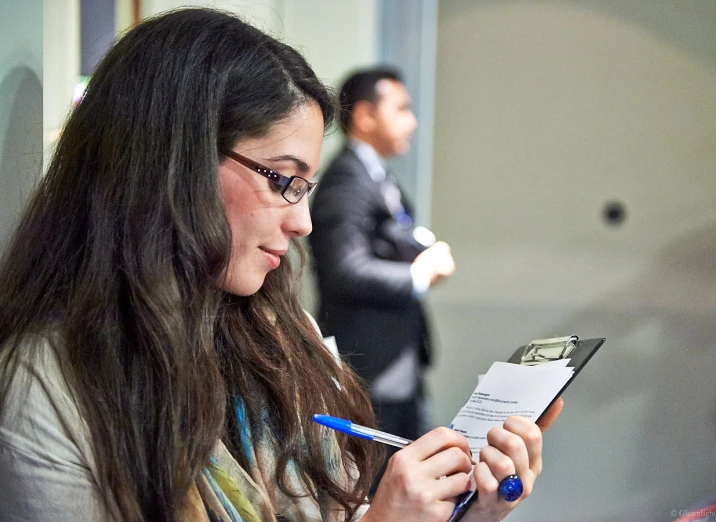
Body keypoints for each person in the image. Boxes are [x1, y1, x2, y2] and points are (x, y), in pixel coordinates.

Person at [0, 9, 561, 522]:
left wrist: (472, 510)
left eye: (306, 186)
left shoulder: (282, 333)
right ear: (175, 160)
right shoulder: (45, 386)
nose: (303, 224)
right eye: (284, 180)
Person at [308, 68, 454, 468]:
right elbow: (344, 269)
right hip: (370, 370)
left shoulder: (376, 175)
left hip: (395, 365)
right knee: (382, 485)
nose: (412, 121)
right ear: (365, 115)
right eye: (402, 108)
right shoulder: (346, 180)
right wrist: (419, 275)